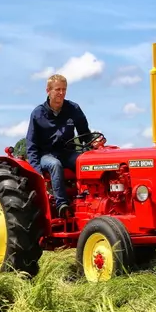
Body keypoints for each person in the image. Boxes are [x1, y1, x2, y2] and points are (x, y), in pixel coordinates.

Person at [26, 74, 100, 216]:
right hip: (46, 155)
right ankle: (62, 205)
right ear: (48, 90)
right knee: (55, 164)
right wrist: (37, 173)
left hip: (68, 153)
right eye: (57, 89)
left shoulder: (73, 109)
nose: (61, 93)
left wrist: (93, 144)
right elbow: (31, 145)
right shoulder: (38, 114)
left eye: (64, 90)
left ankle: (88, 198)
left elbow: (85, 134)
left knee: (83, 162)